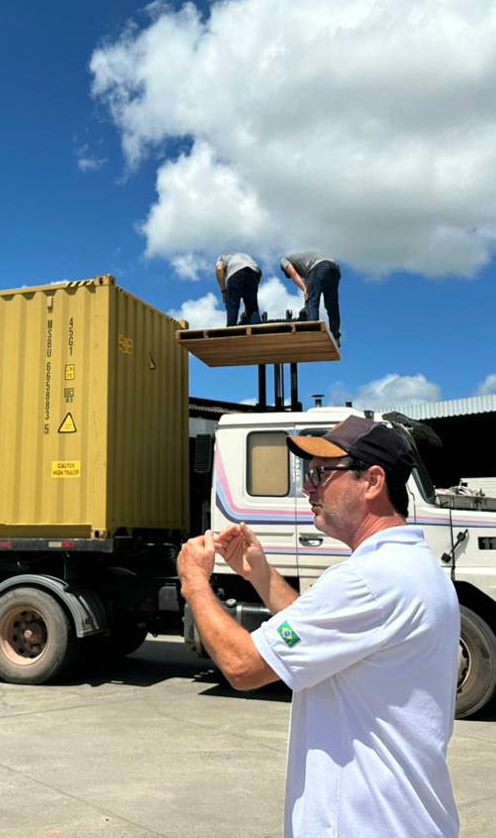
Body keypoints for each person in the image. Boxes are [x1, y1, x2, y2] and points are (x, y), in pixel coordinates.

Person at [177, 413, 460, 838]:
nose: (308, 488)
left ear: (373, 481)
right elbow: (315, 635)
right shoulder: (410, 566)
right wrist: (260, 575)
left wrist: (196, 582)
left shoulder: (369, 580)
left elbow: (243, 666)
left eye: (321, 474)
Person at [280, 252, 341, 344]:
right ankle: (336, 336)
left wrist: (305, 290)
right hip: (334, 268)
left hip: (319, 267)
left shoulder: (284, 260)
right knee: (332, 306)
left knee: (312, 302)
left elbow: (294, 275)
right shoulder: (304, 261)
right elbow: (307, 283)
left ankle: (313, 333)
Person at [215, 253, 262, 327]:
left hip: (236, 274)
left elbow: (219, 269)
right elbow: (258, 275)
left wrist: (224, 291)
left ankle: (231, 331)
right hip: (254, 273)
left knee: (232, 306)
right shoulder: (245, 256)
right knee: (252, 309)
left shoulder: (222, 258)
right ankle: (257, 331)